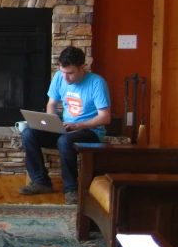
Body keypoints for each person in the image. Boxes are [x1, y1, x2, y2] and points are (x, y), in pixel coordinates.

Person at [18, 45, 111, 205]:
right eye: (62, 72)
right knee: (28, 133)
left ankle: (71, 189)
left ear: (82, 67)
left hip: (90, 131)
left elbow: (105, 118)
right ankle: (41, 182)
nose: (65, 77)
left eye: (70, 73)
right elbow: (52, 103)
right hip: (66, 128)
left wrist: (77, 126)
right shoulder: (59, 77)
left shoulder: (97, 83)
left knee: (65, 141)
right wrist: (50, 122)